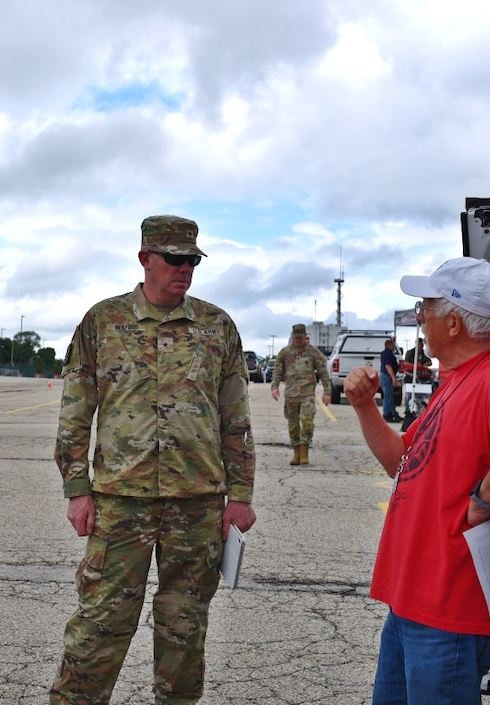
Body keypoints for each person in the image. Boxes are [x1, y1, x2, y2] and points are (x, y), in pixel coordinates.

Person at [50, 214, 257, 705]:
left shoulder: (217, 326)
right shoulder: (103, 322)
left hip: (198, 504)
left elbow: (236, 417)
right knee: (101, 623)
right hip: (122, 502)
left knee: (184, 629)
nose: (184, 269)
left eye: (192, 261)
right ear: (145, 259)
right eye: (174, 259)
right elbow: (76, 412)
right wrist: (77, 489)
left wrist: (241, 494)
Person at [343, 257, 490, 704]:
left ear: (453, 323)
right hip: (413, 600)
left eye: (425, 308)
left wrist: (484, 502)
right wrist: (363, 406)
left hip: (448, 608)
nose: (419, 317)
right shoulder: (458, 380)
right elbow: (400, 461)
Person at [270, 323, 332, 465]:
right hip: (291, 395)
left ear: (305, 337)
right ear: (293, 337)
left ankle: (305, 451)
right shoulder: (285, 353)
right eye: (296, 337)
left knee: (307, 423)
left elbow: (323, 373)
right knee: (293, 426)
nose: (298, 340)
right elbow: (277, 371)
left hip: (307, 394)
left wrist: (327, 392)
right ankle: (296, 453)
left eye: (301, 337)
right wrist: (274, 387)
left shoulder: (313, 352)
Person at [379, 337, 401, 423]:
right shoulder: (388, 354)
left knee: (390, 397)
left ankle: (393, 413)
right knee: (387, 397)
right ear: (389, 345)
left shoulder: (385, 353)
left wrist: (393, 340)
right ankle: (386, 415)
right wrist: (393, 378)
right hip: (387, 376)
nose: (394, 347)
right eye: (393, 345)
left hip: (385, 376)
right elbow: (388, 366)